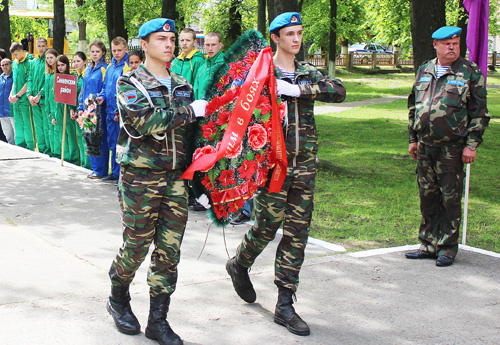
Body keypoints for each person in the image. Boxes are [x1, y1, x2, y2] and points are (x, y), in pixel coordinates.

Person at [225, 12, 346, 336]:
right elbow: (239, 112)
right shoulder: (261, 73)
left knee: (298, 232)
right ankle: (239, 264)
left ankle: (285, 302)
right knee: (266, 227)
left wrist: (301, 91)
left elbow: (339, 90)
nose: (297, 39)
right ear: (275, 38)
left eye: (300, 33)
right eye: (290, 34)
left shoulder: (307, 72)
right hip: (272, 167)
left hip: (304, 164)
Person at [106, 18, 208, 345]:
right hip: (140, 176)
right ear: (145, 44)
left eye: (172, 39)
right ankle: (118, 297)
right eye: (161, 38)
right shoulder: (129, 82)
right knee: (136, 245)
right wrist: (190, 112)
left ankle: (158, 320)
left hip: (176, 178)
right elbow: (142, 121)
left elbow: (193, 133)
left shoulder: (182, 84)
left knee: (169, 251)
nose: (169, 44)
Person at [405, 26, 490, 267]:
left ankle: (448, 247)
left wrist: (471, 145)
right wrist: (412, 138)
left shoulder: (470, 72)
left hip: (452, 148)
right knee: (428, 196)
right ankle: (428, 243)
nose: (452, 47)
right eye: (446, 43)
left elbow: (480, 113)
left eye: (455, 43)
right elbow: (414, 107)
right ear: (435, 45)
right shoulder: (424, 70)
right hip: (425, 146)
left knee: (450, 198)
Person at [97, 36, 131, 182]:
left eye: (119, 50)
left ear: (126, 49)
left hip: (120, 113)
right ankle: (114, 172)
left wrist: (119, 110)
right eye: (114, 50)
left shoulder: (127, 66)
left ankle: (122, 175)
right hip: (109, 111)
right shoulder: (110, 68)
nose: (116, 53)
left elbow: (127, 92)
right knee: (112, 142)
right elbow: (105, 87)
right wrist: (102, 97)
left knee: (121, 143)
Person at [78, 40, 109, 179]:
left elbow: (105, 88)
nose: (95, 54)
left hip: (98, 110)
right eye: (92, 51)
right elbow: (83, 90)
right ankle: (94, 168)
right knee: (89, 138)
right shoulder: (87, 69)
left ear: (103, 52)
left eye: (97, 51)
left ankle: (100, 171)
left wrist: (98, 98)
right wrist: (80, 107)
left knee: (98, 139)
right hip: (86, 110)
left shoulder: (105, 69)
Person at [54, 55, 79, 164]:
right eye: (58, 65)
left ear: (67, 65)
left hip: (69, 110)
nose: (60, 67)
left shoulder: (72, 77)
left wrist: (71, 108)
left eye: (62, 65)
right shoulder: (56, 78)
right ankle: (65, 157)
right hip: (59, 110)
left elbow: (72, 96)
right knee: (62, 136)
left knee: (71, 137)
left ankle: (74, 160)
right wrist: (54, 114)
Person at [9, 42, 34, 150]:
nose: (15, 57)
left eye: (16, 54)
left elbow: (28, 82)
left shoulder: (29, 62)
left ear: (21, 51)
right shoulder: (15, 63)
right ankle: (20, 146)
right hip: (16, 99)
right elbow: (14, 80)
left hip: (24, 99)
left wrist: (18, 95)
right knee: (18, 124)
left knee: (27, 124)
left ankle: (30, 147)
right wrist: (11, 94)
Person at [27, 37, 50, 154]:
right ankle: (41, 150)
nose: (41, 48)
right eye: (39, 46)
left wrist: (40, 94)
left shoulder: (48, 61)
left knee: (46, 126)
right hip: (33, 100)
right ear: (35, 46)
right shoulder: (34, 62)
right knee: (38, 126)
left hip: (44, 99)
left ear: (46, 46)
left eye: (43, 46)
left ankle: (49, 151)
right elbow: (30, 79)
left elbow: (48, 81)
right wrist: (29, 95)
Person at [193, 31, 229, 99]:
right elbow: (195, 93)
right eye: (207, 45)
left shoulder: (227, 66)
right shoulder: (201, 68)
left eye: (213, 45)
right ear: (204, 45)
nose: (210, 48)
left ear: (220, 45)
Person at [72, 51, 91, 169]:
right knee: (80, 138)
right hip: (76, 110)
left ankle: (88, 165)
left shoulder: (86, 75)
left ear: (85, 62)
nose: (76, 64)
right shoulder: (76, 76)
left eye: (78, 61)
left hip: (85, 110)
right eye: (74, 61)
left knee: (86, 137)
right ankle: (83, 163)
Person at [42, 49, 59, 157]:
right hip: (47, 106)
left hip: (55, 105)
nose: (49, 60)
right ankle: (52, 151)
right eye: (47, 58)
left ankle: (57, 153)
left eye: (51, 57)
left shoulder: (57, 73)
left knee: (56, 130)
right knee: (49, 130)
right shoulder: (48, 73)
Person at [0, 58, 15, 144]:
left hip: (12, 110)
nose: (5, 67)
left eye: (7, 64)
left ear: (11, 65)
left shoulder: (14, 77)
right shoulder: (0, 78)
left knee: (16, 132)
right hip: (2, 112)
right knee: (8, 134)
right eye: (3, 65)